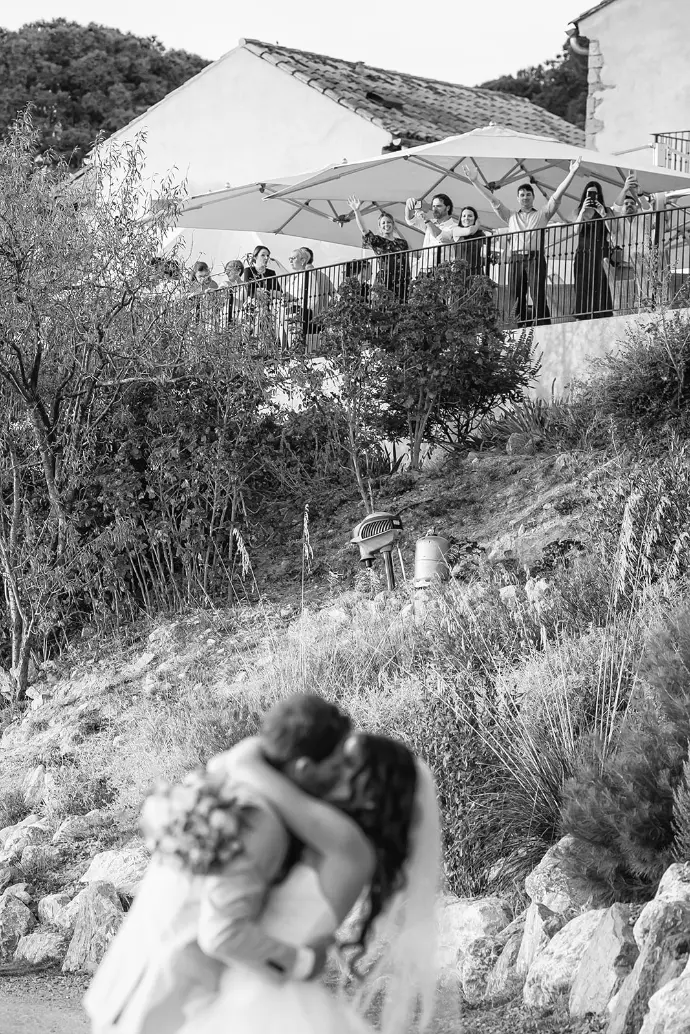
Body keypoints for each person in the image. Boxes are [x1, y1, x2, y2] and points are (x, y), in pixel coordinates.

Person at [84, 694, 352, 1034]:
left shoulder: (224, 775)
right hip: (172, 996)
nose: (341, 777)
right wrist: (304, 961)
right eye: (335, 767)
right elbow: (222, 934)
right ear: (303, 767)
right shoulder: (260, 822)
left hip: (134, 964)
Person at [179, 730, 441, 1034]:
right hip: (255, 977)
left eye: (347, 763)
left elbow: (244, 765)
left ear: (371, 788)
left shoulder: (346, 841)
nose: (333, 767)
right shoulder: (337, 839)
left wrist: (293, 734)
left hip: (263, 1001)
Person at [464, 157, 582, 326]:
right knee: (516, 295)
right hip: (516, 259)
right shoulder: (510, 216)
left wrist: (572, 172)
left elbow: (557, 195)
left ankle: (542, 326)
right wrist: (475, 181)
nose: (525, 197)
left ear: (533, 197)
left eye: (528, 194)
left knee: (538, 293)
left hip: (535, 258)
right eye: (522, 195)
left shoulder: (542, 214)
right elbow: (492, 200)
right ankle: (519, 328)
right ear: (517, 199)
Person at [347, 196, 410, 300]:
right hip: (385, 280)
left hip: (401, 280)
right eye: (383, 223)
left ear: (393, 225)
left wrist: (408, 281)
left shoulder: (402, 243)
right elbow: (364, 230)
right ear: (380, 227)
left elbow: (406, 263)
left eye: (389, 222)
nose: (386, 225)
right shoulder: (378, 241)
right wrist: (356, 211)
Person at [608, 173, 655, 312]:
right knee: (625, 299)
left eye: (632, 204)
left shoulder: (643, 219)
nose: (629, 205)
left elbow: (648, 209)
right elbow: (615, 208)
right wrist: (624, 189)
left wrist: (640, 195)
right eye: (626, 204)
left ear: (636, 206)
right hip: (624, 267)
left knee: (646, 299)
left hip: (643, 264)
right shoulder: (617, 222)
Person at [571, 180, 615, 320]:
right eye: (589, 193)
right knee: (582, 282)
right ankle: (582, 314)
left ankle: (602, 313)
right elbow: (576, 230)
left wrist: (602, 213)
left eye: (595, 194)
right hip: (583, 252)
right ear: (585, 194)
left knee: (601, 282)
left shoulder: (607, 210)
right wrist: (582, 212)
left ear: (599, 195)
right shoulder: (578, 211)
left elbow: (614, 230)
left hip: (600, 251)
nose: (592, 196)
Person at [404, 192, 458, 271]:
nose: (435, 209)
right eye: (433, 206)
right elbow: (410, 220)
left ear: (447, 208)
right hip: (425, 269)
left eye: (439, 206)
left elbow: (442, 237)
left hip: (444, 269)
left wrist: (427, 220)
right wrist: (409, 205)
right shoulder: (430, 222)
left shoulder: (455, 226)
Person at [450, 206, 489, 276]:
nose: (466, 218)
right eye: (464, 216)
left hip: (476, 270)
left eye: (470, 216)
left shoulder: (481, 234)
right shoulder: (456, 230)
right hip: (461, 270)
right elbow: (469, 231)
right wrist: (477, 224)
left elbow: (484, 252)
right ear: (460, 219)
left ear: (475, 218)